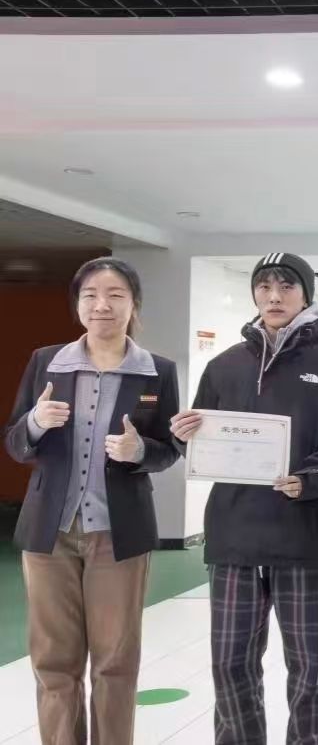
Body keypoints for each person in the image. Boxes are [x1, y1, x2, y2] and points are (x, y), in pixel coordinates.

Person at [169, 252, 318, 745]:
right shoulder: (224, 365)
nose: (275, 296)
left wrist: (312, 478)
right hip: (234, 537)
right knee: (230, 663)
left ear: (306, 295)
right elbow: (204, 442)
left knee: (310, 667)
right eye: (265, 286)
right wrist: (182, 435)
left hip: (305, 535)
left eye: (287, 286)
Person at [4, 256, 181, 745]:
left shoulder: (157, 372)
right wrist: (36, 422)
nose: (102, 305)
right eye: (90, 295)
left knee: (115, 663)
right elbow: (15, 442)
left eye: (115, 295)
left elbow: (169, 448)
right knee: (53, 661)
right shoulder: (46, 362)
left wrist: (139, 450)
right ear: (78, 305)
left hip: (117, 534)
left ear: (133, 304)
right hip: (49, 534)